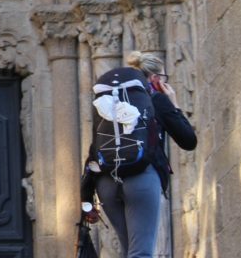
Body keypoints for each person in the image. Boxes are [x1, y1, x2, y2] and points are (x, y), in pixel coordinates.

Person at [81, 51, 197, 258]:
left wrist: (86, 198)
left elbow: (94, 150)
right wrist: (174, 104)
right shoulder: (156, 99)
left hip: (106, 182)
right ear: (154, 79)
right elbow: (188, 140)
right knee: (140, 254)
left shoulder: (108, 103)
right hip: (141, 177)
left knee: (132, 252)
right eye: (163, 78)